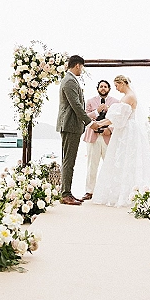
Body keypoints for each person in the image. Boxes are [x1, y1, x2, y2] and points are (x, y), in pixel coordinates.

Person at [92, 75, 150, 208]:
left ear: (122, 83)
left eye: (117, 86)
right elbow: (116, 118)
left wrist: (99, 124)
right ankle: (125, 191)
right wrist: (100, 123)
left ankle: (127, 193)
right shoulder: (127, 96)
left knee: (126, 159)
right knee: (124, 160)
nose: (116, 89)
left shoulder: (128, 97)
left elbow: (117, 119)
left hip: (128, 131)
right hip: (125, 129)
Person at [56, 55, 99, 205]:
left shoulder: (71, 80)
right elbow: (76, 105)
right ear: (77, 66)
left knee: (70, 160)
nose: (82, 70)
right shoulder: (69, 81)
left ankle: (67, 192)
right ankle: (65, 194)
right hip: (69, 125)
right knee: (69, 161)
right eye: (82, 67)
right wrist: (89, 123)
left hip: (73, 126)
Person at [82, 80, 119, 201]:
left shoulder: (115, 102)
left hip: (108, 137)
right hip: (93, 137)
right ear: (97, 88)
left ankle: (110, 191)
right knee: (92, 165)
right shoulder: (90, 101)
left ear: (109, 89)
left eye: (105, 86)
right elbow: (85, 118)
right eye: (101, 86)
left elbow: (119, 120)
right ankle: (89, 191)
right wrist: (97, 111)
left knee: (110, 165)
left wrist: (110, 129)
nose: (103, 88)